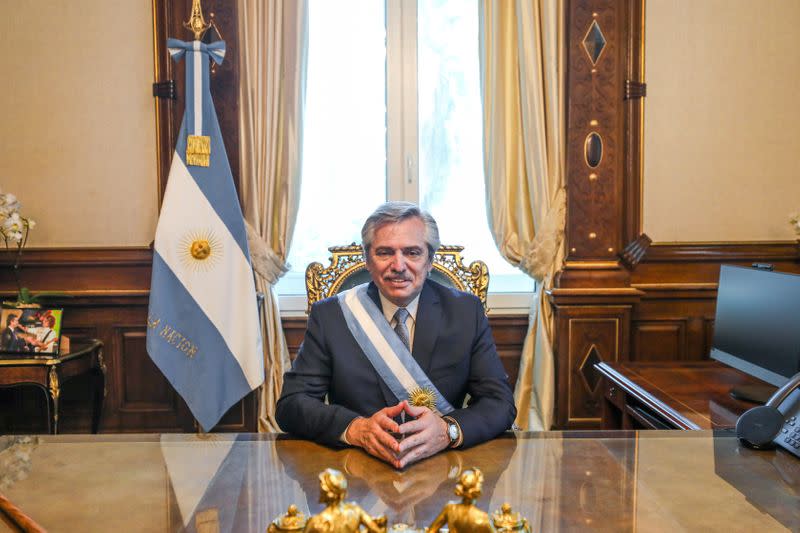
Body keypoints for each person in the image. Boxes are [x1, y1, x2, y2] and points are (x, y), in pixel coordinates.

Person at [276, 201, 516, 469]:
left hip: (442, 469)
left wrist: (448, 431)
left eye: (412, 252)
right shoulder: (331, 316)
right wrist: (356, 428)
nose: (398, 265)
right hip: (357, 470)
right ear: (367, 260)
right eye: (385, 252)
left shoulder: (465, 311)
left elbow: (500, 403)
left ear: (429, 260)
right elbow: (291, 405)